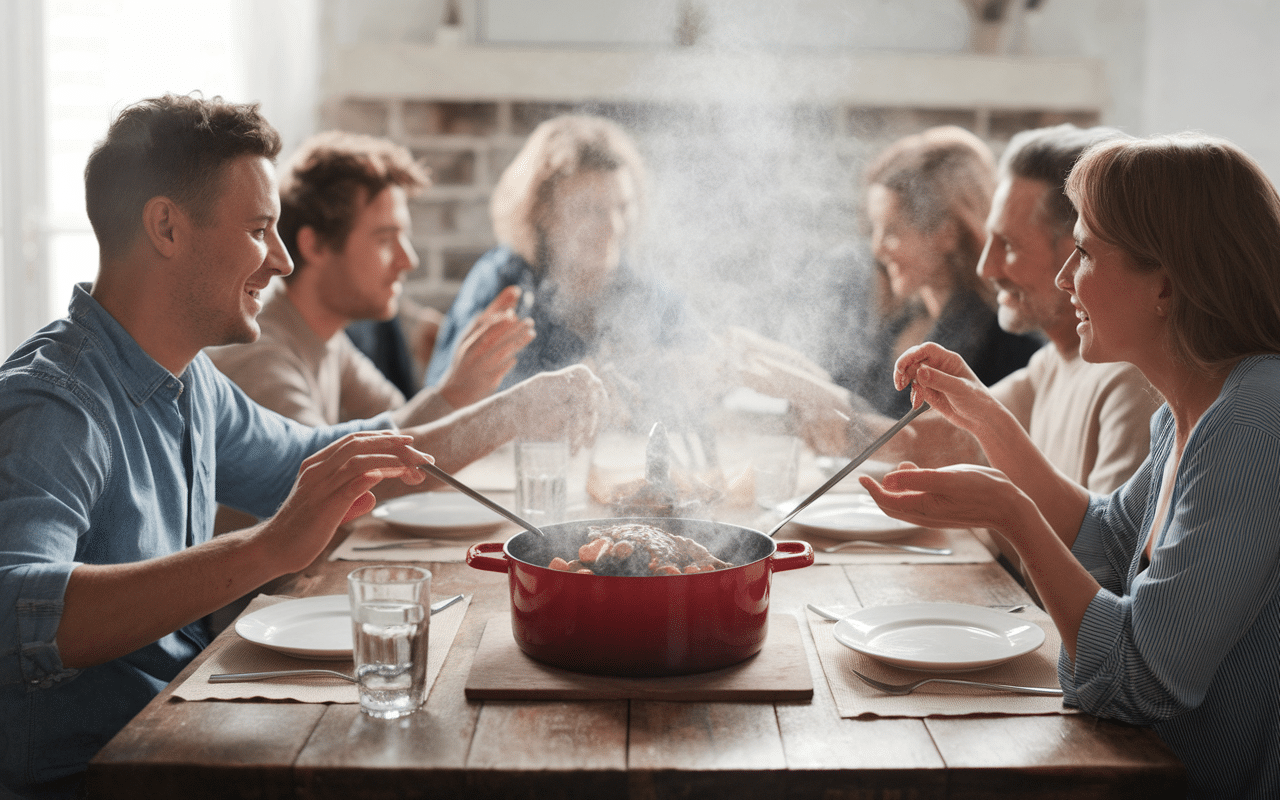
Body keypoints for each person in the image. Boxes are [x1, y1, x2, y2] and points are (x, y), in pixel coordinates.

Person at [0, 95, 439, 798]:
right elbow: (12, 603)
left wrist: (499, 415)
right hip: (90, 778)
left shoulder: (190, 379)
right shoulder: (57, 405)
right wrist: (264, 551)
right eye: (262, 229)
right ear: (167, 227)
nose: (283, 261)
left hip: (174, 737)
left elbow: (319, 462)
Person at [862, 133, 1280, 798]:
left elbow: (1137, 682)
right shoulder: (1187, 412)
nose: (1062, 279)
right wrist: (986, 420)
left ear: (1167, 284)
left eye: (1082, 252)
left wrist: (1011, 512)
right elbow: (1109, 542)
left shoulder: (1254, 422)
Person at [208, 131, 596, 476]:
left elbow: (403, 437)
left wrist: (458, 392)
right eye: (384, 239)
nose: (408, 260)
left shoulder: (328, 341)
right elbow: (318, 479)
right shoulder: (260, 355)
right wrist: (506, 412)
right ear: (315, 245)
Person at [424, 115, 708, 424]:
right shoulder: (504, 282)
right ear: (543, 212)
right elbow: (446, 408)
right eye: (590, 210)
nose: (613, 227)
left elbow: (709, 377)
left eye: (623, 207)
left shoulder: (644, 290)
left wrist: (693, 377)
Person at [843, 125, 1042, 417]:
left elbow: (924, 442)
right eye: (875, 229)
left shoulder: (1007, 346)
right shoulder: (898, 325)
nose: (878, 249)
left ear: (946, 233)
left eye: (893, 230)